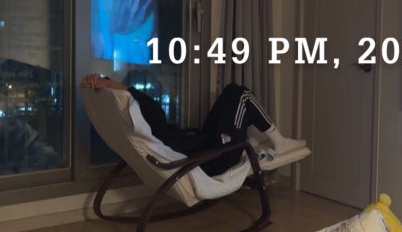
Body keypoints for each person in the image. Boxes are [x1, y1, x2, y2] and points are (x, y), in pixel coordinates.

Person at [81, 73, 304, 176]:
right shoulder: (144, 122)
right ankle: (279, 141)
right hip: (216, 155)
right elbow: (151, 107)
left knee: (231, 91)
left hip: (201, 145)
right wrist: (114, 84)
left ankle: (262, 138)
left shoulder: (134, 127)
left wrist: (105, 83)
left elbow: (148, 107)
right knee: (241, 95)